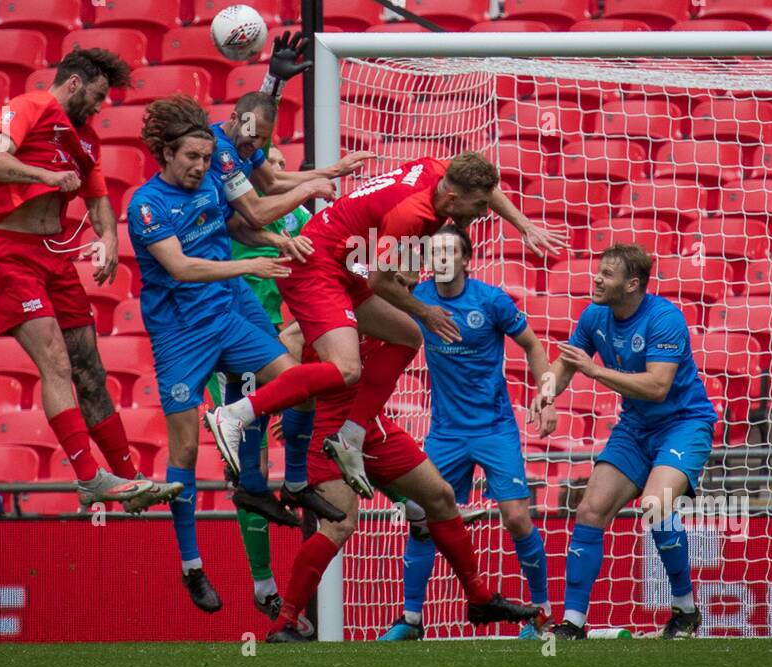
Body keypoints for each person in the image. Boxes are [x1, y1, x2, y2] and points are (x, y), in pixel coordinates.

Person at [209, 154, 566, 500]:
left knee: (407, 337)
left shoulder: (440, 172)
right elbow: (380, 281)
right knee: (347, 368)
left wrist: (525, 225)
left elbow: (487, 190)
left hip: (345, 262)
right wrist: (426, 312)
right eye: (478, 206)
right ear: (454, 198)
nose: (483, 212)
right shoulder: (410, 214)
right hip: (316, 268)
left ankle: (350, 436)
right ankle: (237, 414)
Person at [128, 94, 328, 613]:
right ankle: (192, 567)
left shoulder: (213, 181)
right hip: (180, 334)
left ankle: (292, 482)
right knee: (185, 453)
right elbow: (181, 268)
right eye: (190, 158)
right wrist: (250, 266)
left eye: (203, 157)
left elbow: (236, 224)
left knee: (300, 385)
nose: (200, 166)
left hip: (228, 316)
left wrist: (273, 241)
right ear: (166, 155)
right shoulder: (146, 205)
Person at [0, 47, 176, 512]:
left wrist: (108, 238)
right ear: (73, 84)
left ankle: (129, 482)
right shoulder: (28, 107)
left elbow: (98, 199)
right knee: (57, 363)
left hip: (53, 260)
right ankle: (90, 479)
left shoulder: (87, 140)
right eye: (99, 95)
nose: (101, 106)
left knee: (91, 372)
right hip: (9, 253)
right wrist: (46, 176)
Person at [264, 336, 544, 643]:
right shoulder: (324, 308)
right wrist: (293, 413)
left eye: (411, 284)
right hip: (325, 427)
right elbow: (288, 342)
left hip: (369, 423)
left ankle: (478, 598)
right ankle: (286, 621)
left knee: (440, 496)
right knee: (340, 523)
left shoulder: (386, 308)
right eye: (404, 283)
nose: (408, 286)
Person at [530, 244, 719, 640]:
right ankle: (573, 623)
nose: (596, 279)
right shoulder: (595, 315)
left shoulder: (665, 318)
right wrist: (546, 394)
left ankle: (685, 611)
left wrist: (595, 372)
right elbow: (564, 364)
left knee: (655, 506)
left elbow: (657, 386)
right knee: (590, 510)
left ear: (632, 284)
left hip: (684, 423)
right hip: (635, 428)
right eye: (598, 271)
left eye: (607, 275)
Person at [379, 225, 556, 641]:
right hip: (445, 432)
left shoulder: (490, 300)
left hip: (494, 428)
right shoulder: (416, 299)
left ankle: (542, 615)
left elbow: (532, 345)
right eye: (434, 251)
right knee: (422, 519)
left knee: (515, 518)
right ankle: (410, 619)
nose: (440, 258)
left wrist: (545, 397)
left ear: (465, 260)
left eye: (448, 252)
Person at [204, 143, 344, 623]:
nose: (278, 173)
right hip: (236, 348)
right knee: (252, 470)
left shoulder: (300, 218)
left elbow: (325, 276)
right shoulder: (234, 217)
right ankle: (264, 583)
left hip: (284, 345)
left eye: (284, 166)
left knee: (308, 454)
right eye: (271, 167)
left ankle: (296, 592)